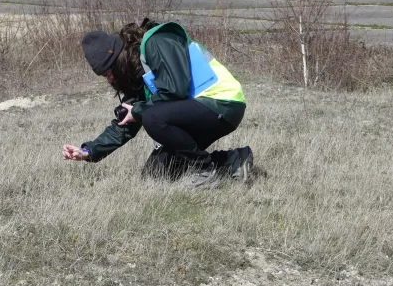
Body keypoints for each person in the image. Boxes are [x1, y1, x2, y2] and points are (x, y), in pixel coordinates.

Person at [62, 18, 252, 187]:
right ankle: (233, 160)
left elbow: (176, 88)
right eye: (105, 77)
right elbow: (124, 124)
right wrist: (88, 151)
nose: (110, 80)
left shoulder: (157, 41)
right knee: (156, 173)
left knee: (151, 116)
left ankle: (205, 170)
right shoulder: (139, 74)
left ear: (118, 61)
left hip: (222, 102)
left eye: (109, 73)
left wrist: (140, 110)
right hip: (198, 109)